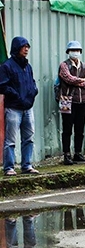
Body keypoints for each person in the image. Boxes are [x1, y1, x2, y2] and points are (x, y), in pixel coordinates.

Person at [0, 37, 39, 176]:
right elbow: (2, 86)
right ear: (17, 48)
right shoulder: (7, 66)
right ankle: (9, 167)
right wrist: (16, 96)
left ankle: (26, 165)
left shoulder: (28, 67)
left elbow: (32, 83)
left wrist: (34, 92)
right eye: (24, 46)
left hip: (28, 108)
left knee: (29, 138)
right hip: (13, 109)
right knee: (10, 140)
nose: (27, 49)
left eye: (28, 47)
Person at [58, 41, 85, 165]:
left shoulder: (84, 66)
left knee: (80, 128)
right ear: (68, 52)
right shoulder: (64, 65)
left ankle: (77, 153)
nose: (76, 52)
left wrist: (79, 81)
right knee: (67, 128)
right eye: (73, 50)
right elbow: (68, 78)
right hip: (67, 100)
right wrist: (82, 80)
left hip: (82, 100)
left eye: (78, 50)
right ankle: (66, 154)